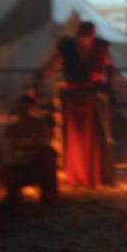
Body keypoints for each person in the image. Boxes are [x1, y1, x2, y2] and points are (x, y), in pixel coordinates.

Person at [36, 21, 112, 187]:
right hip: (71, 98)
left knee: (92, 138)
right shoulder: (68, 48)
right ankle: (75, 174)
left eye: (87, 37)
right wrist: (43, 77)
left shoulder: (100, 48)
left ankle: (92, 175)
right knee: (73, 137)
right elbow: (54, 64)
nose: (85, 41)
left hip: (92, 97)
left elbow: (109, 66)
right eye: (82, 38)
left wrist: (106, 85)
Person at [1, 93, 57, 204]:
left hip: (35, 162)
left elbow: (42, 145)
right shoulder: (11, 128)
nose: (23, 111)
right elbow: (8, 150)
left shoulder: (39, 125)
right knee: (11, 172)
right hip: (16, 164)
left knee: (49, 154)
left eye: (25, 108)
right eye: (20, 108)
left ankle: (47, 195)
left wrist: (28, 150)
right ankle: (14, 196)